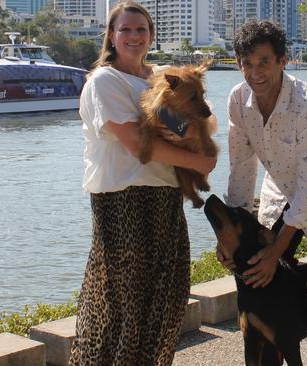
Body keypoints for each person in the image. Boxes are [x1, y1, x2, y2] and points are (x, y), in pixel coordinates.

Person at [69, 2, 216, 365]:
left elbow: (202, 122)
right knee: (121, 307)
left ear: (151, 35)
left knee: (167, 300)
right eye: (126, 30)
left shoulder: (159, 79)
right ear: (111, 36)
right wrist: (200, 161)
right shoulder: (106, 80)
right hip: (123, 202)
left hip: (165, 199)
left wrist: (201, 149)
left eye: (141, 30)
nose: (134, 36)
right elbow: (137, 145)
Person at [219, 20, 307, 365]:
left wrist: (276, 251)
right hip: (279, 195)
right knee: (261, 285)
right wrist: (230, 238)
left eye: (264, 62)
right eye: (246, 63)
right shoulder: (237, 100)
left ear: (282, 60)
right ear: (238, 64)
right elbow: (242, 172)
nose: (255, 73)